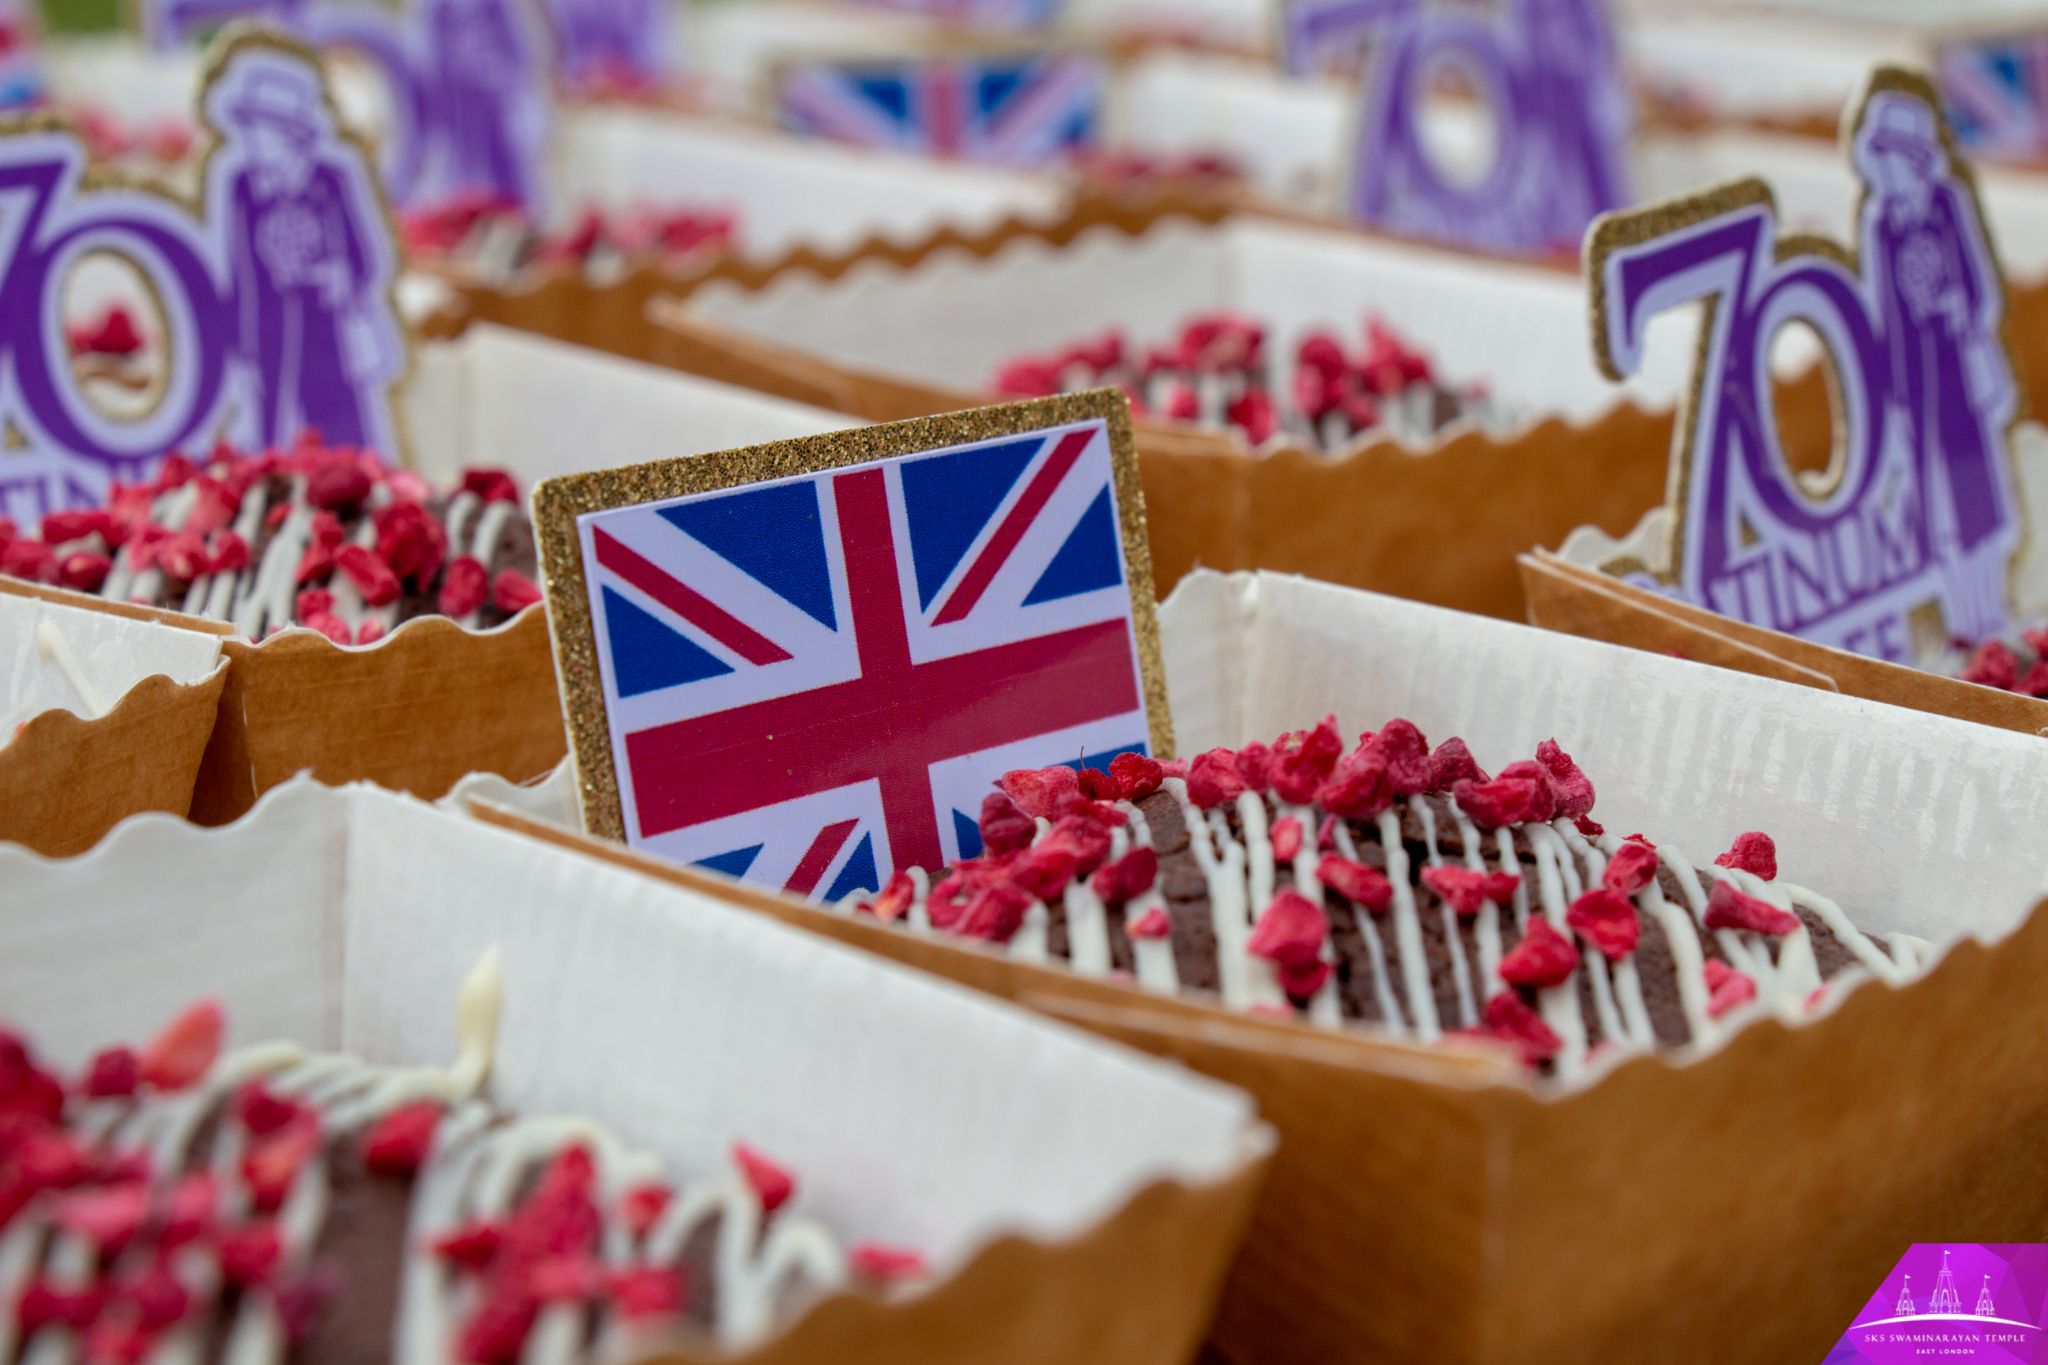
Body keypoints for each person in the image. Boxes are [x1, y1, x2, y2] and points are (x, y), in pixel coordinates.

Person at [1855, 90, 2019, 644]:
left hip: (1959, 371)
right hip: (1918, 386)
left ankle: (1987, 609)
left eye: (1893, 157)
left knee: (1980, 501)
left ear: (1914, 160)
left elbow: (1977, 284)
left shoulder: (1947, 203)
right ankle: (1965, 625)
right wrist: (1894, 398)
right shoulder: (1881, 224)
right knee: (1939, 512)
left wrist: (1958, 307)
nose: (1886, 169)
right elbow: (1887, 321)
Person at [206, 47, 401, 456]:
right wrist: (240, 349)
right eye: (247, 129)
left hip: (327, 326)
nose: (250, 140)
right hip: (270, 335)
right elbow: (239, 273)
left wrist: (343, 275)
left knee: (346, 437)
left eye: (259, 129)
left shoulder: (331, 179)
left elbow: (366, 256)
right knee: (272, 441)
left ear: (288, 134)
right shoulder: (240, 187)